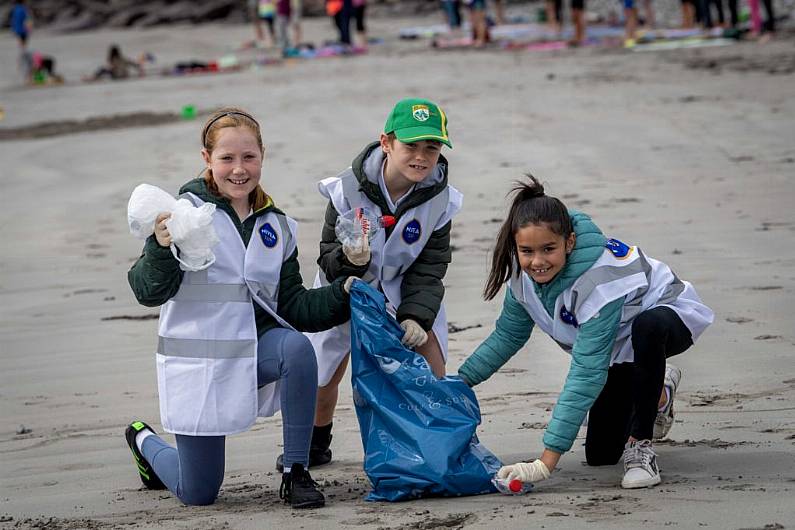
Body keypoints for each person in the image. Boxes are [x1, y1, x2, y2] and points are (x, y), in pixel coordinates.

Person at [125, 108, 363, 509]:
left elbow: (294, 307)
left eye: (249, 157)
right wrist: (160, 247)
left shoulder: (279, 226)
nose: (239, 169)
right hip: (199, 367)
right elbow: (147, 292)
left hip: (254, 354)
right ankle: (143, 441)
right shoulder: (183, 216)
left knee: (296, 349)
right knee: (198, 493)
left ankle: (296, 471)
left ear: (263, 156)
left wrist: (345, 291)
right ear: (207, 159)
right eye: (227, 159)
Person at [458, 176, 713, 489]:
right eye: (527, 251)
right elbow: (507, 337)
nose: (537, 262)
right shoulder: (522, 277)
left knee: (646, 328)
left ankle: (641, 446)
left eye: (549, 249)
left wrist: (543, 464)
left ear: (570, 242)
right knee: (601, 454)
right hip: (617, 348)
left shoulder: (598, 283)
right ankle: (659, 392)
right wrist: (458, 383)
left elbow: (587, 373)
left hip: (670, 315)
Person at [274, 98, 462, 472]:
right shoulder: (345, 189)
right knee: (323, 377)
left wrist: (415, 317)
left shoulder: (442, 199)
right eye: (410, 146)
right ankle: (315, 443)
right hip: (343, 288)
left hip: (405, 289)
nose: (421, 157)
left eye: (432, 147)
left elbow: (430, 267)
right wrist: (350, 262)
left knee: (432, 367)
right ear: (386, 143)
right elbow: (327, 255)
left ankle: (442, 440)